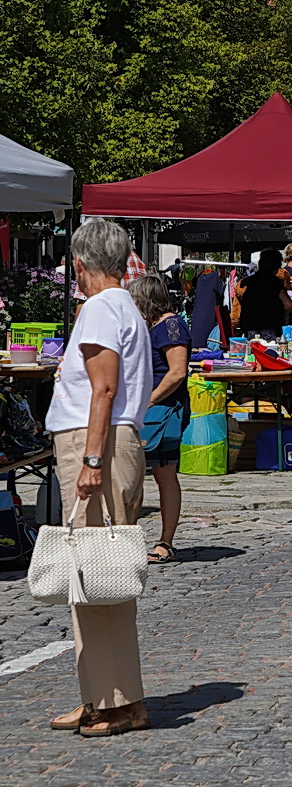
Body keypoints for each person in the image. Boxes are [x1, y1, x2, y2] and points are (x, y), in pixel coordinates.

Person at [46, 219, 153, 738]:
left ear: (81, 263)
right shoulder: (122, 306)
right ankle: (98, 696)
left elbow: (103, 390)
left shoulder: (100, 308)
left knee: (98, 573)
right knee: (88, 575)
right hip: (110, 442)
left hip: (100, 446)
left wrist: (90, 460)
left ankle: (117, 702)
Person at [129, 273, 191, 566]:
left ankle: (166, 541)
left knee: (164, 475)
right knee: (133, 477)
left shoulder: (170, 325)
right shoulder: (150, 326)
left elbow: (177, 372)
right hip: (145, 409)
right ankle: (127, 539)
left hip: (162, 411)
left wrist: (149, 400)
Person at [237, 249, 292, 340]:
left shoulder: (249, 281)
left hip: (250, 327)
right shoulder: (275, 283)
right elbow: (288, 304)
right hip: (270, 327)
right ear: (276, 266)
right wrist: (285, 314)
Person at [188, 263, 226, 348]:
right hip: (210, 305)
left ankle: (197, 342)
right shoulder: (215, 277)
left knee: (198, 323)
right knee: (208, 324)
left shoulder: (200, 277)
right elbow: (219, 292)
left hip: (199, 306)